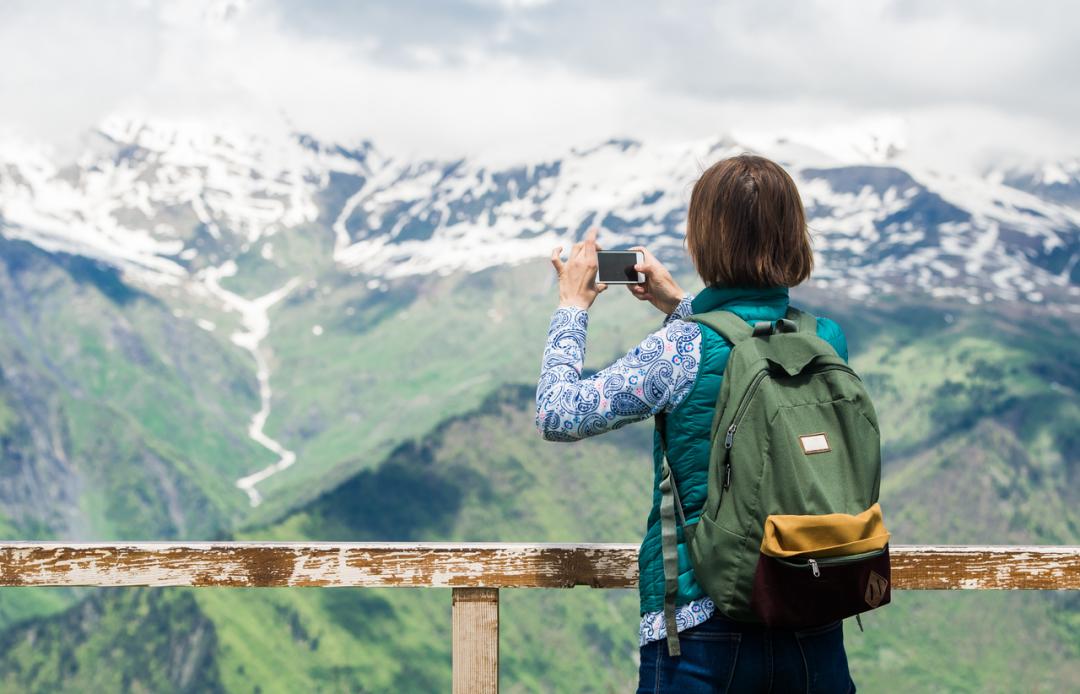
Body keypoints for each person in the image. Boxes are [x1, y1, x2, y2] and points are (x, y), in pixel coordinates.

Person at [536, 154, 856, 693]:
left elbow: (558, 413)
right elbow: (747, 345)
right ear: (794, 236)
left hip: (704, 632)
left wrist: (573, 305)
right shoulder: (827, 339)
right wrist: (681, 304)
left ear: (702, 240)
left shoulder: (681, 348)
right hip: (813, 615)